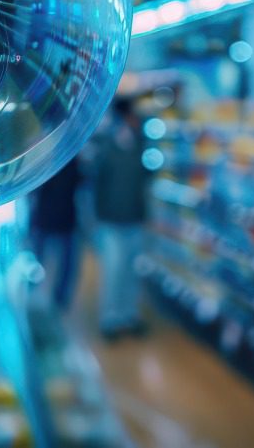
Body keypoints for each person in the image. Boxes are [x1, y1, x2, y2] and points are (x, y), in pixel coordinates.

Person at [91, 97, 153, 338]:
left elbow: (145, 178)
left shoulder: (139, 144)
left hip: (134, 218)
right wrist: (99, 216)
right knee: (114, 271)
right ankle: (110, 318)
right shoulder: (107, 145)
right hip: (112, 220)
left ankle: (129, 315)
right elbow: (98, 183)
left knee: (132, 270)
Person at [28, 157, 83, 310]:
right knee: (44, 259)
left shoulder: (50, 163)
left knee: (56, 261)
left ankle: (50, 296)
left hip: (58, 219)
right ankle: (46, 296)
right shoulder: (68, 161)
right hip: (55, 218)